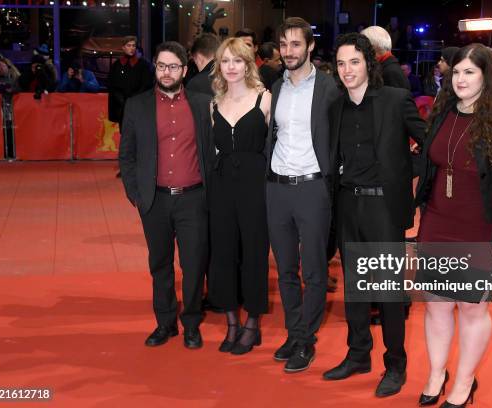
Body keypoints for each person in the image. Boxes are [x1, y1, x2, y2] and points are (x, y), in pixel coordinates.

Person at [414, 43, 492, 407]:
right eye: (456, 72)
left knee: (472, 307)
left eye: (470, 72)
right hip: (436, 222)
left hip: (479, 226)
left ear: (486, 76)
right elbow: (430, 164)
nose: (460, 79)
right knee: (436, 303)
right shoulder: (443, 111)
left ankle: (465, 382)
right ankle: (436, 373)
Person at [322, 33, 425, 398]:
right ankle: (358, 354)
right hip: (348, 204)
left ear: (369, 62)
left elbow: (427, 145)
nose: (347, 70)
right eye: (341, 63)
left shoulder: (396, 100)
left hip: (384, 206)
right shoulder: (335, 107)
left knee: (389, 292)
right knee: (356, 288)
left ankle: (395, 364)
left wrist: (402, 172)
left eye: (354, 61)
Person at [118, 41, 214, 350]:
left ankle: (191, 323)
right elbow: (127, 156)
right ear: (155, 68)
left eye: (173, 66)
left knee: (193, 264)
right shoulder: (137, 105)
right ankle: (165, 323)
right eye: (161, 66)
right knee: (159, 264)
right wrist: (136, 194)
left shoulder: (203, 104)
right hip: (154, 200)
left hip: (193, 199)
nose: (167, 72)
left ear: (185, 70)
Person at [266, 17, 339, 373]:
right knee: (285, 271)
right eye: (283, 45)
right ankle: (294, 332)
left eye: (296, 44)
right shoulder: (275, 87)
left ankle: (306, 339)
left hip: (313, 188)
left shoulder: (328, 87)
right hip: (277, 187)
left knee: (313, 270)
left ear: (310, 47)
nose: (289, 52)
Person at [208, 38, 272, 355]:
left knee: (255, 255)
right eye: (225, 61)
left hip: (255, 188)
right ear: (219, 66)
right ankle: (232, 321)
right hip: (222, 190)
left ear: (248, 65)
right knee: (223, 254)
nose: (231, 67)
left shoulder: (264, 99)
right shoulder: (213, 104)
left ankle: (252, 324)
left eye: (237, 61)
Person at [108, 36, 153, 130]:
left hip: (139, 106)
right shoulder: (116, 65)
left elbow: (146, 85)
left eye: (133, 46)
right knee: (125, 134)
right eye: (129, 45)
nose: (132, 48)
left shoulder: (143, 65)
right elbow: (111, 85)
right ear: (123, 47)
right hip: (122, 107)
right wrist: (122, 100)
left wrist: (133, 100)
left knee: (139, 133)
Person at [360, 25, 410, 90]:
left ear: (372, 47)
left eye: (362, 46)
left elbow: (398, 99)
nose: (361, 51)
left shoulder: (391, 72)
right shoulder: (386, 67)